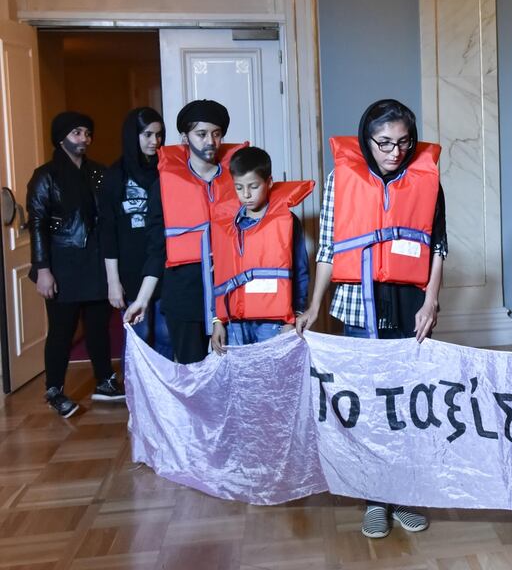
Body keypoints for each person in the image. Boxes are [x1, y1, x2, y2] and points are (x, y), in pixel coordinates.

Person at [295, 99, 441, 539]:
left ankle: (403, 492)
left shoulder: (426, 178)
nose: (395, 152)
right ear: (367, 141)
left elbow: (438, 245)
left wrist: (431, 300)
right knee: (368, 404)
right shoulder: (342, 179)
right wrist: (315, 305)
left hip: (408, 303)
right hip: (359, 306)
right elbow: (327, 249)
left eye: (403, 143)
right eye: (385, 143)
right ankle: (375, 498)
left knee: (406, 403)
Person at [124, 100, 246, 363]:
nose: (210, 141)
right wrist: (142, 299)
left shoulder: (239, 181)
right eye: (201, 134)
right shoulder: (164, 186)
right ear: (184, 138)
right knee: (191, 374)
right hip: (183, 294)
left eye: (216, 134)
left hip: (231, 294)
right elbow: (157, 248)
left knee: (230, 377)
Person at [27, 111, 121, 418]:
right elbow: (38, 224)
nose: (84, 138)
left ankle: (104, 381)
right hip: (61, 265)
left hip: (94, 262)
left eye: (87, 133)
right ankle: (54, 390)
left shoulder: (99, 172)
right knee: (61, 331)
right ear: (62, 137)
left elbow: (108, 219)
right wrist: (43, 269)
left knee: (98, 327)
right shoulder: (45, 176)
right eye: (77, 133)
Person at [209, 146, 311, 352]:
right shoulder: (226, 225)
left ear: (269, 183)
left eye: (253, 186)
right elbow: (217, 276)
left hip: (273, 323)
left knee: (272, 380)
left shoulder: (288, 222)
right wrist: (216, 320)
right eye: (239, 188)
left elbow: (300, 272)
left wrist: (295, 316)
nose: (246, 194)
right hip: (234, 322)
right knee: (239, 380)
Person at [99, 107, 172, 359]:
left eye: (159, 135)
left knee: (166, 335)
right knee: (139, 334)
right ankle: (137, 396)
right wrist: (113, 282)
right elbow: (107, 231)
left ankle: (163, 397)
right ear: (133, 135)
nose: (155, 141)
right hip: (130, 269)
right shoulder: (114, 176)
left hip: (165, 264)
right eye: (148, 135)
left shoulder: (168, 171)